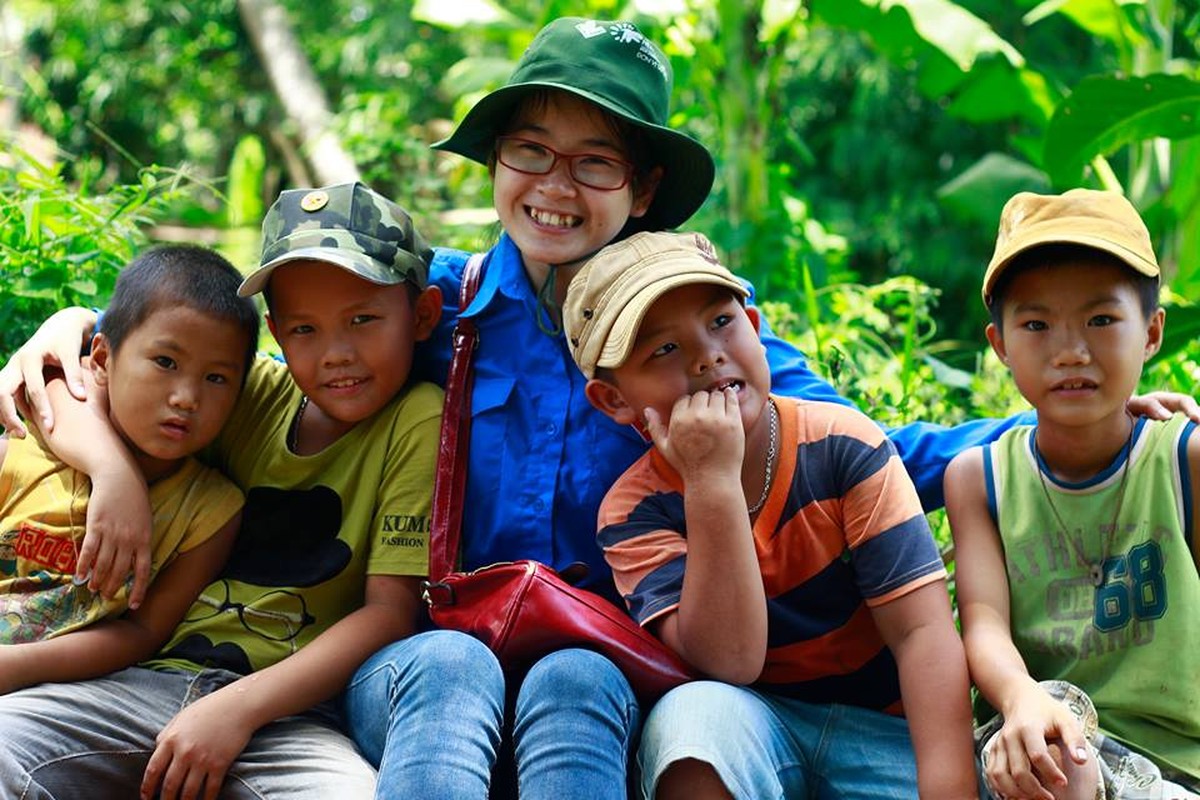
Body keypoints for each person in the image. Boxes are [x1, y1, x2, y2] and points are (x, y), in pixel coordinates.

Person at [0, 17, 1196, 800]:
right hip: (441, 651)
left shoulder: (711, 333)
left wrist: (1081, 421)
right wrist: (71, 351)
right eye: (531, 151)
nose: (555, 186)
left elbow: (882, 443)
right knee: (452, 668)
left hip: (626, 660)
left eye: (595, 161)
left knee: (581, 686)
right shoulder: (440, 308)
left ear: (645, 186)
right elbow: (247, 346)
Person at [0, 181, 444, 800]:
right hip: (138, 683)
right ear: (277, 335)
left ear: (422, 316)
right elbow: (63, 381)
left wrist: (235, 710)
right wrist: (113, 471)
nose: (336, 354)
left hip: (284, 713)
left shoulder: (416, 419)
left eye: (362, 320)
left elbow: (389, 613)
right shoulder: (244, 392)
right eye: (304, 330)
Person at [564, 230, 978, 799]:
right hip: (753, 728)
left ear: (755, 329)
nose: (707, 355)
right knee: (691, 718)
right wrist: (710, 480)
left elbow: (923, 634)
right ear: (614, 401)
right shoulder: (636, 511)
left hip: (883, 737)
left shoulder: (842, 446)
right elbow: (730, 661)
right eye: (664, 349)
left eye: (720, 322)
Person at [944, 189, 1200, 800]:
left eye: (1101, 320)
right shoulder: (980, 478)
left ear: (1152, 332)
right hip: (1039, 740)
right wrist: (1022, 699)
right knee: (1058, 752)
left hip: (1176, 766)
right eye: (1036, 325)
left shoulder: (1183, 462)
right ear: (999, 343)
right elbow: (983, 625)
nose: (1070, 351)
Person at [0, 245, 253, 683]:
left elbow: (141, 631)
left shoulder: (210, 512)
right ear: (100, 360)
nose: (186, 398)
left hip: (46, 690)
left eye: (216, 378)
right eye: (165, 362)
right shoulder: (24, 448)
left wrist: (12, 669)